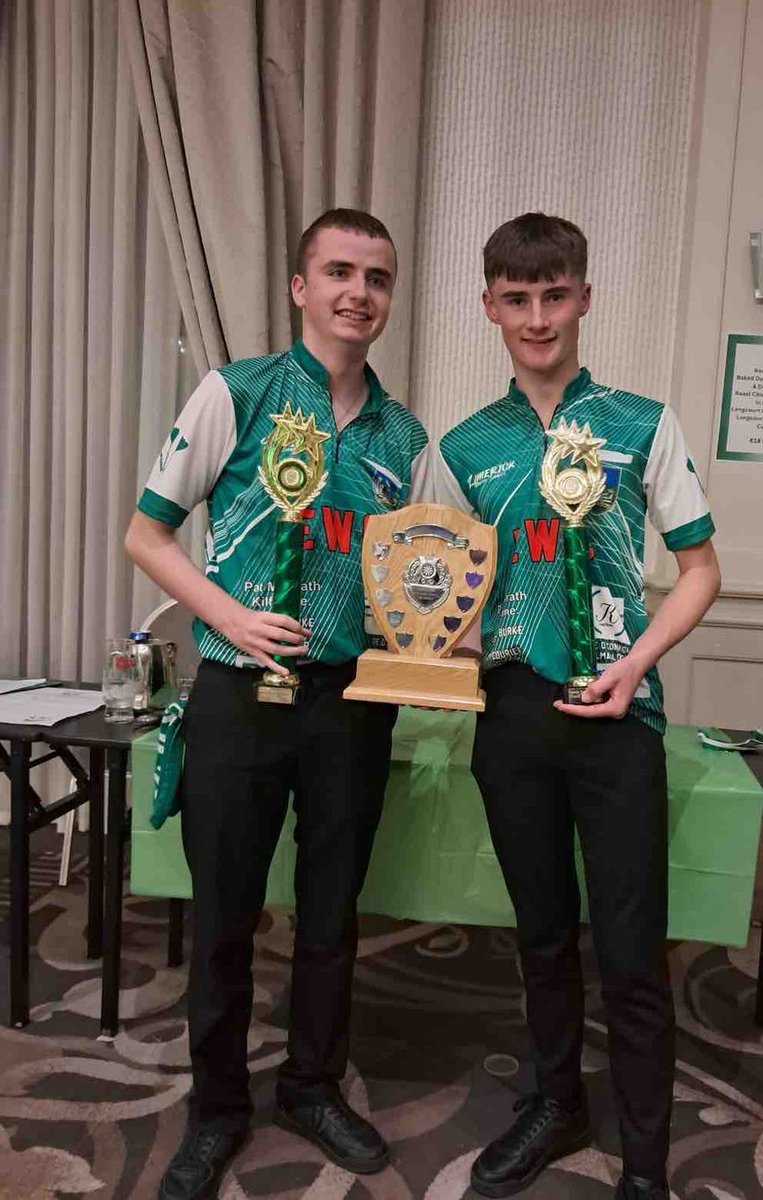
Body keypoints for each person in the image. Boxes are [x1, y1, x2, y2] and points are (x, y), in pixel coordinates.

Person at [125, 208, 428, 1200]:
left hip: (350, 705)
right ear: (301, 287)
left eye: (376, 277)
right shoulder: (237, 392)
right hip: (237, 694)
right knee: (225, 914)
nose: (358, 292)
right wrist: (232, 618)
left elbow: (421, 576)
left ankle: (309, 1084)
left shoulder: (404, 437)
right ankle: (216, 1111)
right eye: (339, 271)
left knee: (333, 911)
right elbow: (150, 534)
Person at [433, 213, 721, 1199]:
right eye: (517, 299)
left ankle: (646, 1161)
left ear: (585, 297)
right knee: (542, 934)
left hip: (618, 719)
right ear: (490, 309)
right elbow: (447, 584)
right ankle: (558, 1103)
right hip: (511, 715)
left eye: (555, 294)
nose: (538, 315)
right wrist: (438, 639)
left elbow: (699, 570)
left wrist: (638, 662)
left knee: (635, 951)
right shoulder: (466, 446)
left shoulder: (643, 423)